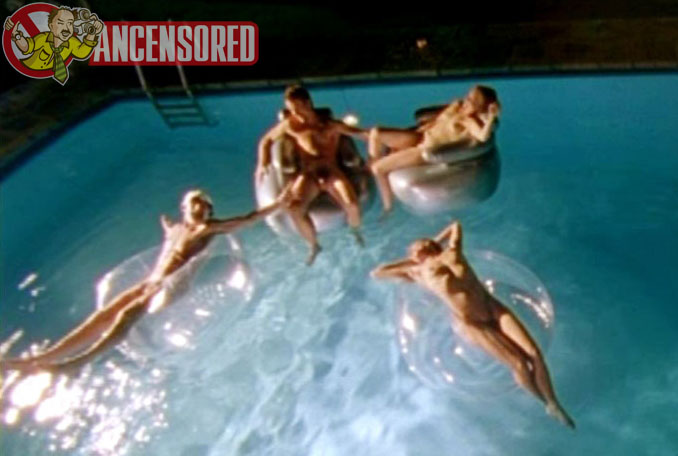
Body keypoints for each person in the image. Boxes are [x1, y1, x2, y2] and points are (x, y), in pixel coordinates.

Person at [0, 191, 275, 373]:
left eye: (206, 204)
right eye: (196, 202)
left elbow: (249, 219)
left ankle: (77, 362)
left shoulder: (209, 228)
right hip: (152, 282)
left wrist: (279, 202)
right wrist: (167, 228)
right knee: (104, 314)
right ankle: (43, 357)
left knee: (127, 314)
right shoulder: (177, 229)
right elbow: (170, 242)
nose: (202, 207)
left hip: (172, 286)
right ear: (184, 208)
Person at [371, 221, 574, 429]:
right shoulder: (418, 273)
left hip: (492, 307)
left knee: (534, 353)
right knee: (519, 363)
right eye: (415, 246)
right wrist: (412, 260)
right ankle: (542, 402)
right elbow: (378, 272)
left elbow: (455, 225)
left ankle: (553, 402)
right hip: (472, 322)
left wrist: (434, 241)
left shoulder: (452, 252)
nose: (421, 244)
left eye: (423, 241)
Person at [255, 85, 368, 264]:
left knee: (352, 205)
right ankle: (314, 244)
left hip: (331, 172)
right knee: (295, 209)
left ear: (308, 103)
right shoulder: (291, 125)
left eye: (298, 108)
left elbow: (362, 134)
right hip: (309, 174)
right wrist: (263, 163)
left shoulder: (331, 125)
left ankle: (355, 232)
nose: (294, 113)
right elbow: (266, 140)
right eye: (291, 109)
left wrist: (376, 147)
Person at [367, 85, 500, 214]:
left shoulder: (469, 121)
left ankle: (388, 206)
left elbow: (483, 136)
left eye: (471, 101)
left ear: (478, 108)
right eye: (468, 96)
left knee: (378, 169)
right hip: (420, 136)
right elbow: (438, 120)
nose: (466, 101)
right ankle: (373, 172)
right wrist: (422, 127)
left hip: (422, 149)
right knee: (376, 133)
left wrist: (491, 117)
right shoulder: (457, 106)